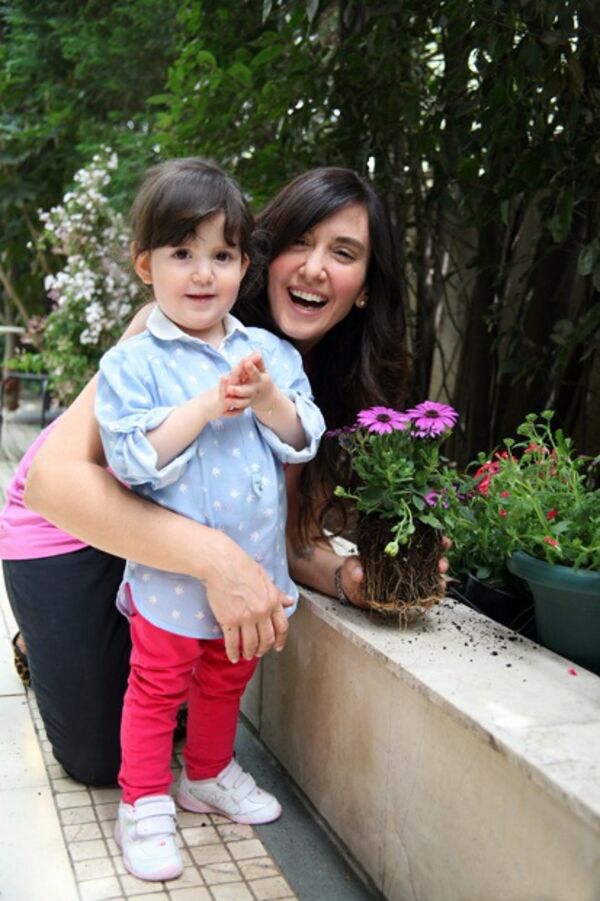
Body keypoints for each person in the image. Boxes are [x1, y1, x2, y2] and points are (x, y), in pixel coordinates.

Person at [15, 164, 433, 788]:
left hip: (162, 549)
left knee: (184, 699)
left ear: (367, 287)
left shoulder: (314, 383)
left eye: (343, 253)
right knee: (101, 758)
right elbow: (51, 484)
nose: (315, 268)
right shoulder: (171, 326)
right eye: (300, 242)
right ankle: (43, 639)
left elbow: (289, 540)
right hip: (71, 531)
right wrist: (217, 560)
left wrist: (351, 579)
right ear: (264, 254)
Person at [91, 158, 324, 881]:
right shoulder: (133, 364)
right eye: (182, 253)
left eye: (221, 256)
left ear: (244, 266)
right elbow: (131, 459)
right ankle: (144, 800)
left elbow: (303, 436)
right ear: (146, 265)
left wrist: (266, 400)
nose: (202, 274)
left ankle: (208, 772)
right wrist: (201, 408)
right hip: (171, 581)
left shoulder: (269, 354)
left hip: (252, 573)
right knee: (157, 687)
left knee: (227, 679)